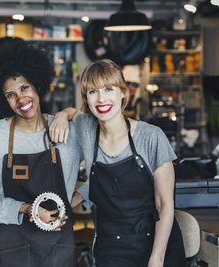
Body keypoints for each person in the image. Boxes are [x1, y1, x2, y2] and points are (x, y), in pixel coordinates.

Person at [50, 59, 185, 267]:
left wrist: (156, 260)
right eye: (93, 92)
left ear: (123, 93)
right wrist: (61, 115)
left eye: (109, 89)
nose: (101, 99)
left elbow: (164, 205)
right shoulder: (86, 128)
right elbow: (72, 113)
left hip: (155, 247)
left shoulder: (151, 137)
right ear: (86, 97)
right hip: (111, 248)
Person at [0, 41, 82, 267]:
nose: (21, 99)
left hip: (59, 250)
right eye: (10, 94)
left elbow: (108, 162)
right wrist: (24, 208)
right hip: (14, 250)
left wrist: (81, 196)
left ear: (37, 85)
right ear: (3, 99)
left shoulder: (67, 132)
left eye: (24, 87)